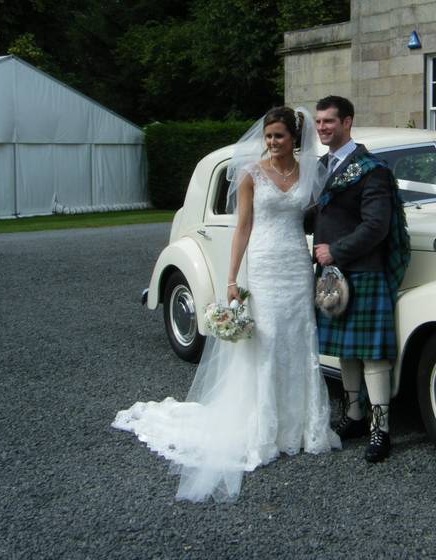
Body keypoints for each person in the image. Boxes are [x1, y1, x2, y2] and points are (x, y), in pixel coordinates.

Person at [112, 106, 339, 502]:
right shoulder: (251, 173)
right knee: (266, 342)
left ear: (294, 138)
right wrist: (232, 279)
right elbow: (244, 226)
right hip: (265, 265)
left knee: (298, 339)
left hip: (295, 266)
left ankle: (303, 426)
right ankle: (264, 430)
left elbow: (322, 217)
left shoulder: (310, 173)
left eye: (279, 136)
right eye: (268, 136)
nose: (272, 142)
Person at [309, 95, 409, 463]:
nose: (322, 128)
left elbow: (377, 226)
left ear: (347, 122)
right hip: (333, 275)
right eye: (319, 122)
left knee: (373, 356)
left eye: (329, 122)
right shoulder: (321, 167)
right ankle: (353, 416)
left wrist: (336, 250)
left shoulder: (372, 169)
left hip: (363, 269)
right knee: (346, 351)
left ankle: (380, 431)